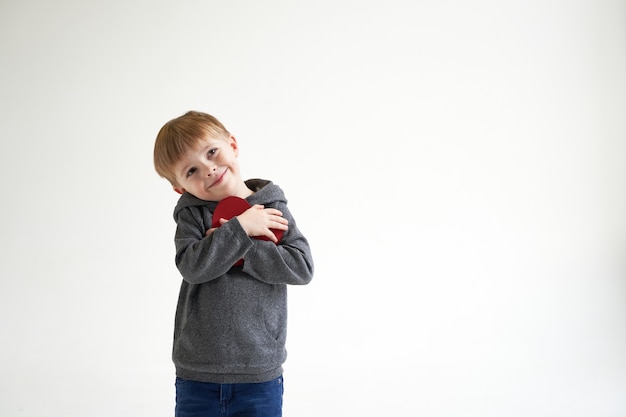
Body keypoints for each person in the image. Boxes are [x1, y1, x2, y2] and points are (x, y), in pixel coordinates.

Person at [153, 111, 314, 417]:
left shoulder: (271, 207)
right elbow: (192, 266)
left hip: (258, 368)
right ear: (180, 188)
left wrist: (240, 244)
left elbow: (301, 267)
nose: (209, 169)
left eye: (212, 152)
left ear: (233, 144)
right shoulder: (192, 216)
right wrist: (238, 230)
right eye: (191, 171)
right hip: (197, 370)